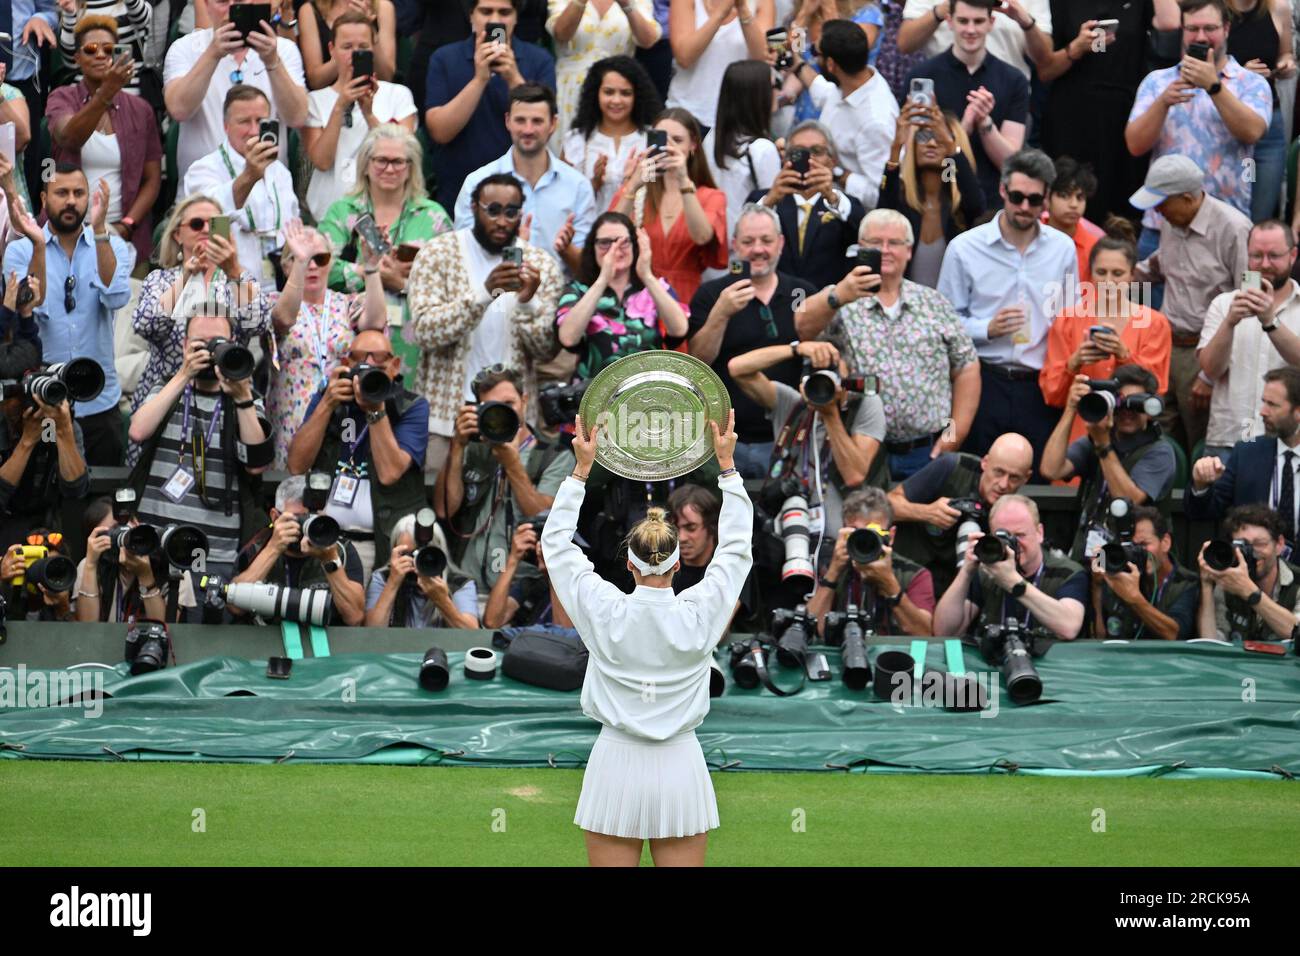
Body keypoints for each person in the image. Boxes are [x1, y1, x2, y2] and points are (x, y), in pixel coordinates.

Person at [542, 408, 750, 867]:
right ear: (677, 565)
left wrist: (580, 470)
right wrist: (728, 468)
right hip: (680, 768)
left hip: (614, 765)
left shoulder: (603, 609)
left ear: (630, 565)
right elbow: (736, 550)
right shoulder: (700, 612)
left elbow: (555, 547)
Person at [797, 209, 981, 480]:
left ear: (909, 250)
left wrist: (955, 433)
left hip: (926, 450)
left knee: (928, 521)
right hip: (863, 447)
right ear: (859, 248)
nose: (885, 250)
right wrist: (838, 296)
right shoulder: (842, 297)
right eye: (875, 243)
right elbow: (802, 326)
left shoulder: (934, 303)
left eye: (894, 243)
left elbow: (966, 367)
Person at [406, 173, 563, 477]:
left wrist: (527, 301)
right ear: (475, 207)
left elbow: (545, 350)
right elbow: (425, 331)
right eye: (493, 210)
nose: (502, 220)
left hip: (514, 422)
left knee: (511, 512)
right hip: (446, 419)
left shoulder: (541, 265)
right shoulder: (438, 254)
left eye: (511, 211)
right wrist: (483, 294)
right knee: (442, 512)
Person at [937, 147, 1077, 474]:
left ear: (1046, 199)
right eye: (1017, 197)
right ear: (1002, 190)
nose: (1025, 207)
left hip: (1040, 384)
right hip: (981, 380)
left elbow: (1070, 319)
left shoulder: (1062, 249)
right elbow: (942, 325)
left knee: (1037, 479)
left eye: (1034, 199)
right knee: (975, 476)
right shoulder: (965, 248)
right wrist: (987, 328)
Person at [127, 304, 274, 583]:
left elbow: (257, 465)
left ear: (232, 345)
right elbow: (137, 431)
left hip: (216, 553)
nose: (208, 352)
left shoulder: (246, 397)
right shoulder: (168, 387)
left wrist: (241, 396)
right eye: (199, 344)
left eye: (216, 344)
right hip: (154, 544)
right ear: (184, 346)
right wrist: (184, 375)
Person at [2, 164, 134, 467]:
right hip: (42, 403)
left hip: (100, 402)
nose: (72, 200)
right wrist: (39, 245)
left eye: (79, 193)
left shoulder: (112, 245)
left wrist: (100, 232)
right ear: (44, 199)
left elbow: (116, 297)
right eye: (62, 193)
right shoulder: (21, 250)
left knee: (102, 504)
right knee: (49, 504)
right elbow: (32, 303)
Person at [127, 193, 271, 451]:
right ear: (177, 235)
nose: (205, 229)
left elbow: (259, 325)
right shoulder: (160, 280)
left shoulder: (239, 279)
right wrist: (185, 277)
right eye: (196, 224)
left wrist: (234, 269)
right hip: (165, 399)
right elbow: (147, 325)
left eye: (214, 224)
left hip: (225, 399)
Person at [1124, 0, 1269, 253]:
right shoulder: (1157, 82)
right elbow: (1135, 146)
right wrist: (1162, 104)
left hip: (1225, 230)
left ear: (1226, 29)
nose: (1200, 37)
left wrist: (1214, 86)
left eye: (1209, 28)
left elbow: (1252, 132)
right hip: (1162, 225)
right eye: (1192, 29)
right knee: (1147, 293)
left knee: (1231, 295)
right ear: (1182, 29)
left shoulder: (1251, 83)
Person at [1130, 154, 1251, 453]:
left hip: (1203, 353)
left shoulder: (1234, 229)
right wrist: (1116, 280)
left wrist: (1210, 374)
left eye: (1162, 203)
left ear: (1187, 198)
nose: (1156, 211)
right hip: (1164, 348)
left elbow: (1248, 304)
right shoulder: (1173, 221)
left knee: (1199, 444)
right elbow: (1160, 265)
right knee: (1157, 437)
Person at [687, 203, 818, 478]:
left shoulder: (801, 292)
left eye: (766, 240)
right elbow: (698, 362)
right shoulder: (711, 294)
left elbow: (818, 354)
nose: (758, 249)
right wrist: (720, 314)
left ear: (781, 243)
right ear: (735, 245)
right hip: (726, 440)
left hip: (787, 436)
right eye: (748, 241)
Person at [287, 328, 430, 578]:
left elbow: (390, 473)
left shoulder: (411, 406)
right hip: (328, 539)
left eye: (378, 358)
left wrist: (375, 410)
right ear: (346, 364)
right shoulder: (329, 399)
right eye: (360, 358)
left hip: (381, 544)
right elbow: (297, 465)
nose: (369, 365)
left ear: (394, 366)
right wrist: (327, 404)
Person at [317, 124, 453, 382]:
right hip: (354, 336)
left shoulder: (433, 216)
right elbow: (321, 266)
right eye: (381, 160)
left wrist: (402, 284)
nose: (389, 169)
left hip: (415, 341)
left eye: (398, 162)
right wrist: (369, 273)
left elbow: (450, 282)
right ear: (366, 165)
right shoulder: (344, 211)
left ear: (411, 168)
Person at [728, 338, 887, 555]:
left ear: (847, 376)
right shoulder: (793, 405)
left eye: (833, 373)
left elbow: (855, 475)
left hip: (841, 542)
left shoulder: (864, 405)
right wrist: (796, 349)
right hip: (789, 538)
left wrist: (830, 413)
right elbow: (737, 369)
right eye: (818, 374)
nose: (825, 381)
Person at [434, 365, 575, 602]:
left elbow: (544, 517)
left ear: (524, 401)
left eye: (508, 404)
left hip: (518, 590)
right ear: (478, 409)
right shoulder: (473, 450)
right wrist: (457, 446)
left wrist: (513, 466)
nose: (502, 413)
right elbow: (444, 509)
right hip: (466, 584)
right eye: (491, 407)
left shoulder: (554, 456)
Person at [1038, 2, 1179, 221]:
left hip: (1124, 110)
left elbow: (1171, 21)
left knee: (1122, 199)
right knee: (1072, 194)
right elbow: (1045, 70)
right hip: (1074, 113)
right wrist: (1076, 48)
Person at [267, 220, 386, 471]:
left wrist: (372, 269)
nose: (312, 266)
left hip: (341, 414)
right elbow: (283, 320)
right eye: (301, 259)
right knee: (293, 491)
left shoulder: (346, 303)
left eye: (320, 259)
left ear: (330, 262)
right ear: (286, 266)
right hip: (293, 415)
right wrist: (301, 262)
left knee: (341, 482)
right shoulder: (275, 302)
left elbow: (375, 322)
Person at [47, 14, 163, 265]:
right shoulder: (61, 98)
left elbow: (152, 178)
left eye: (108, 49)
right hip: (67, 235)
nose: (100, 55)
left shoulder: (140, 110)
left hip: (122, 236)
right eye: (90, 49)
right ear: (77, 58)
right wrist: (106, 93)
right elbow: (69, 138)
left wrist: (127, 225)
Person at [1039, 229, 1172, 446]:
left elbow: (1156, 392)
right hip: (1080, 434)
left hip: (1133, 437)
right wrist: (1074, 363)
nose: (1108, 281)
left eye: (1117, 274)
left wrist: (1124, 355)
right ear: (1090, 274)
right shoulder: (1067, 320)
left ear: (1132, 276)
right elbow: (1051, 395)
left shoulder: (1154, 323)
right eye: (1101, 272)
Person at [424, 0, 556, 209]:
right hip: (459, 193)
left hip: (524, 195)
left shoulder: (539, 60)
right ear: (471, 16)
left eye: (504, 12)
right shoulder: (444, 58)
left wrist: (513, 77)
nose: (495, 20)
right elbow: (440, 131)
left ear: (516, 18)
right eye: (486, 11)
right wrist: (479, 80)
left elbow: (545, 127)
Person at [454, 83, 597, 276]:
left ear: (553, 124)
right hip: (495, 298)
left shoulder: (578, 186)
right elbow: (465, 257)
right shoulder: (477, 183)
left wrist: (566, 249)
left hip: (561, 300)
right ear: (507, 121)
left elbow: (588, 270)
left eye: (537, 121)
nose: (528, 130)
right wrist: (515, 251)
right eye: (520, 120)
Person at [1039, 364, 1177, 562]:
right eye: (1120, 402)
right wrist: (1071, 408)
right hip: (1087, 550)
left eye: (1135, 404)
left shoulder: (1160, 451)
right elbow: (1051, 469)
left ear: (1150, 408)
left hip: (1133, 558)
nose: (1127, 411)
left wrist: (1103, 445)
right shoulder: (1098, 437)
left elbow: (1128, 498)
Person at [164, 0, 309, 183]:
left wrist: (272, 62)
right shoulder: (185, 48)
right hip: (204, 194)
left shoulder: (283, 50)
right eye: (222, 2)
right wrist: (213, 54)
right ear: (206, 5)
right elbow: (178, 110)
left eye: (239, 2)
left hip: (267, 191)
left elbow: (297, 117)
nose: (231, 8)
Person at [904, 0, 1029, 206]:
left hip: (992, 200)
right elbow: (915, 153)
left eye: (978, 21)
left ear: (991, 22)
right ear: (950, 22)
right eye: (963, 21)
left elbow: (1011, 164)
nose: (970, 30)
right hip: (939, 196)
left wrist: (985, 123)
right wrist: (965, 126)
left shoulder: (1014, 80)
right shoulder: (923, 76)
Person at [1197, 220, 1300, 463]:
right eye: (1256, 255)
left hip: (1290, 441)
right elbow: (1210, 369)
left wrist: (1270, 321)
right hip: (1229, 438)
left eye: (1274, 255)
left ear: (1293, 255)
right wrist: (1230, 322)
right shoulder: (1224, 304)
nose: (1265, 264)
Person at [301, 9, 417, 223]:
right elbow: (321, 161)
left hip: (386, 216)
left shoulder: (398, 94)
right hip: (330, 217)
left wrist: (368, 113)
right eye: (347, 47)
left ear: (373, 48)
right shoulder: (315, 101)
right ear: (332, 50)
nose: (354, 54)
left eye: (363, 47)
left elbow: (405, 153)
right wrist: (340, 105)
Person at [887, 431, 1032, 599]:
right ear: (985, 463)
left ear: (1026, 478)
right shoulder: (953, 466)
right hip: (913, 571)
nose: (1003, 484)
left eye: (1014, 478)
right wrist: (926, 512)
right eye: (998, 472)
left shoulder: (1015, 510)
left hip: (963, 590)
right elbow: (887, 504)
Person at [182, 85, 299, 292]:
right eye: (245, 122)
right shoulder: (202, 170)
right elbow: (214, 218)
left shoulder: (281, 172)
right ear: (226, 126)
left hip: (279, 287)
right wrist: (250, 175)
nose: (254, 131)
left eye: (261, 122)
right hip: (226, 289)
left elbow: (292, 226)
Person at [609, 107, 727, 306]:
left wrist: (683, 180)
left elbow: (702, 236)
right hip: (637, 295)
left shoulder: (710, 196)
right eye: (662, 140)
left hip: (685, 297)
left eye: (678, 141)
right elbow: (610, 237)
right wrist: (633, 183)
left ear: (693, 145)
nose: (668, 148)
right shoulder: (638, 191)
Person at [932, 492, 1087, 641]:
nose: (1013, 545)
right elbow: (943, 632)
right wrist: (966, 572)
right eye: (1003, 537)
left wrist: (1013, 582)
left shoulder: (1067, 572)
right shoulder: (986, 572)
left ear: (1039, 532)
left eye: (1020, 535)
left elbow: (1069, 627)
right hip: (994, 663)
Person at [555, 211, 689, 381]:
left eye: (623, 242)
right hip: (594, 394)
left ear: (635, 246)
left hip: (646, 393)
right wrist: (603, 279)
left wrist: (646, 275)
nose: (615, 249)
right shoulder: (578, 290)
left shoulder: (655, 287)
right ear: (592, 248)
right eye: (605, 243)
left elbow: (679, 330)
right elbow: (568, 338)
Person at [788, 17, 897, 209]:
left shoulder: (875, 121)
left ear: (831, 65)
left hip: (852, 220)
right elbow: (824, 92)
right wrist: (794, 63)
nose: (814, 56)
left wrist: (836, 173)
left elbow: (879, 193)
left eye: (815, 52)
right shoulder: (853, 83)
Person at [228, 474, 366, 625]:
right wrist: (273, 549)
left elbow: (355, 617)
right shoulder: (257, 548)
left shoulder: (341, 550)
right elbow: (234, 607)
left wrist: (330, 560)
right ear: (275, 517)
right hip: (266, 640)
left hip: (324, 643)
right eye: (298, 518)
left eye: (313, 518)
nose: (306, 525)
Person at [745, 120, 866, 291]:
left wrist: (831, 196)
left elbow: (861, 233)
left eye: (817, 151)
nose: (809, 159)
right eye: (799, 152)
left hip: (826, 303)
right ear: (786, 159)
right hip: (774, 302)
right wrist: (770, 201)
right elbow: (743, 239)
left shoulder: (844, 204)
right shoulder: (763, 199)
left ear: (832, 161)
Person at [805, 486, 936, 637]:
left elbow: (923, 633)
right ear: (843, 531)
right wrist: (833, 573)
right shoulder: (835, 568)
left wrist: (890, 584)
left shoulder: (914, 575)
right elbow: (811, 631)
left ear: (891, 536)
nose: (864, 540)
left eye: (872, 533)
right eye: (856, 532)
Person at [0, 336, 90, 553]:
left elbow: (76, 488)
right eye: (15, 397)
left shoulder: (54, 424)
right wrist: (27, 441)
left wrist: (64, 431)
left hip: (43, 526)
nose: (22, 404)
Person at [878, 101, 981, 286]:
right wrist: (896, 149)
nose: (932, 143)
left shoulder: (957, 207)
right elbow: (881, 216)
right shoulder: (902, 198)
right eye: (924, 136)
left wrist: (952, 150)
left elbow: (976, 205)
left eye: (940, 138)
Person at [1187, 366, 1300, 531]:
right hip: (1252, 554)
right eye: (1263, 402)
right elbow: (1205, 512)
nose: (1262, 412)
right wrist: (1200, 485)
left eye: (1272, 405)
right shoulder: (1247, 453)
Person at [547, 0, 660, 144]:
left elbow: (648, 40)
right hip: (570, 88)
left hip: (617, 89)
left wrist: (626, 5)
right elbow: (561, 33)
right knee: (568, 151)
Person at [561, 55, 662, 213]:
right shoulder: (576, 140)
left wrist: (633, 180)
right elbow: (563, 198)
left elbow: (659, 195)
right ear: (596, 94)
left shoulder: (653, 139)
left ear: (637, 96)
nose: (616, 100)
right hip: (587, 233)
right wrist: (593, 185)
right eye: (609, 92)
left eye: (625, 93)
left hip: (641, 233)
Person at [1228, 0, 1297, 222]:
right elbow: (1199, 59)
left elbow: (1285, 53)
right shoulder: (1216, 9)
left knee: (1262, 210)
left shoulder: (1278, 7)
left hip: (1268, 116)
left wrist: (1286, 64)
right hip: (1228, 116)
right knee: (1230, 211)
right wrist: (1240, 73)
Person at [1090, 504, 1199, 641]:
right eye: (1131, 546)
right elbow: (1100, 637)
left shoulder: (1186, 582)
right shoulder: (1119, 575)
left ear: (1165, 542)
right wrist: (1097, 584)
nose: (1137, 552)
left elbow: (1174, 633)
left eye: (1143, 545)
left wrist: (1135, 598)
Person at [666, 0, 774, 133]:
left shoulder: (763, 2)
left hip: (739, 116)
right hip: (687, 112)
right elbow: (684, 57)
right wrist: (721, 13)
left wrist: (742, 9)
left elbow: (763, 58)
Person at [1197, 504, 1300, 641]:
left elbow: (1296, 633)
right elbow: (1211, 642)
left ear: (1279, 545)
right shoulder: (1227, 582)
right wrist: (1207, 585)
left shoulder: (1297, 582)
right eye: (1243, 545)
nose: (1252, 552)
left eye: (1260, 544)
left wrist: (1250, 592)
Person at [702, 60, 781, 239]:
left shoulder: (712, 137)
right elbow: (773, 208)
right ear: (758, 95)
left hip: (715, 246)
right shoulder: (763, 150)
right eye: (774, 85)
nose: (777, 91)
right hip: (749, 247)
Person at [366, 511, 480, 628]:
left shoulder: (459, 583)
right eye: (407, 554)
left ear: (439, 552)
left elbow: (471, 634)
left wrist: (442, 601)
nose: (415, 561)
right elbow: (372, 632)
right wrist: (392, 583)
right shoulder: (383, 578)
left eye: (422, 554)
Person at [896, 0, 1052, 84]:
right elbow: (905, 43)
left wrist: (1025, 21)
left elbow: (1045, 59)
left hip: (1006, 94)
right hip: (943, 93)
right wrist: (943, 9)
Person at [73, 497, 169, 623]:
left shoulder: (168, 566)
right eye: (110, 533)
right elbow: (87, 626)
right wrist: (91, 566)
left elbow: (165, 629)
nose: (120, 535)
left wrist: (145, 576)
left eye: (119, 526)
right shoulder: (89, 565)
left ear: (135, 522)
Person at [481, 514, 573, 628]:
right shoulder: (530, 587)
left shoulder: (579, 590)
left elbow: (563, 634)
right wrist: (513, 558)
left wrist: (554, 573)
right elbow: (492, 622)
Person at [56, 0, 154, 98]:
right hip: (87, 89)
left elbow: (143, 21)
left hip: (130, 85)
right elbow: (72, 62)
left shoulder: (133, 4)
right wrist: (69, 14)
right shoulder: (72, 2)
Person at [297, 0, 398, 90]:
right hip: (330, 97)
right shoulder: (310, 10)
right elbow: (316, 81)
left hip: (373, 93)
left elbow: (386, 76)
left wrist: (368, 28)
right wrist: (344, 52)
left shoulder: (382, 7)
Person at [1041, 156, 1104, 285]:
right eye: (1064, 195)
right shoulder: (1029, 237)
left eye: (1080, 197)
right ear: (1046, 198)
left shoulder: (1095, 247)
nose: (1074, 204)